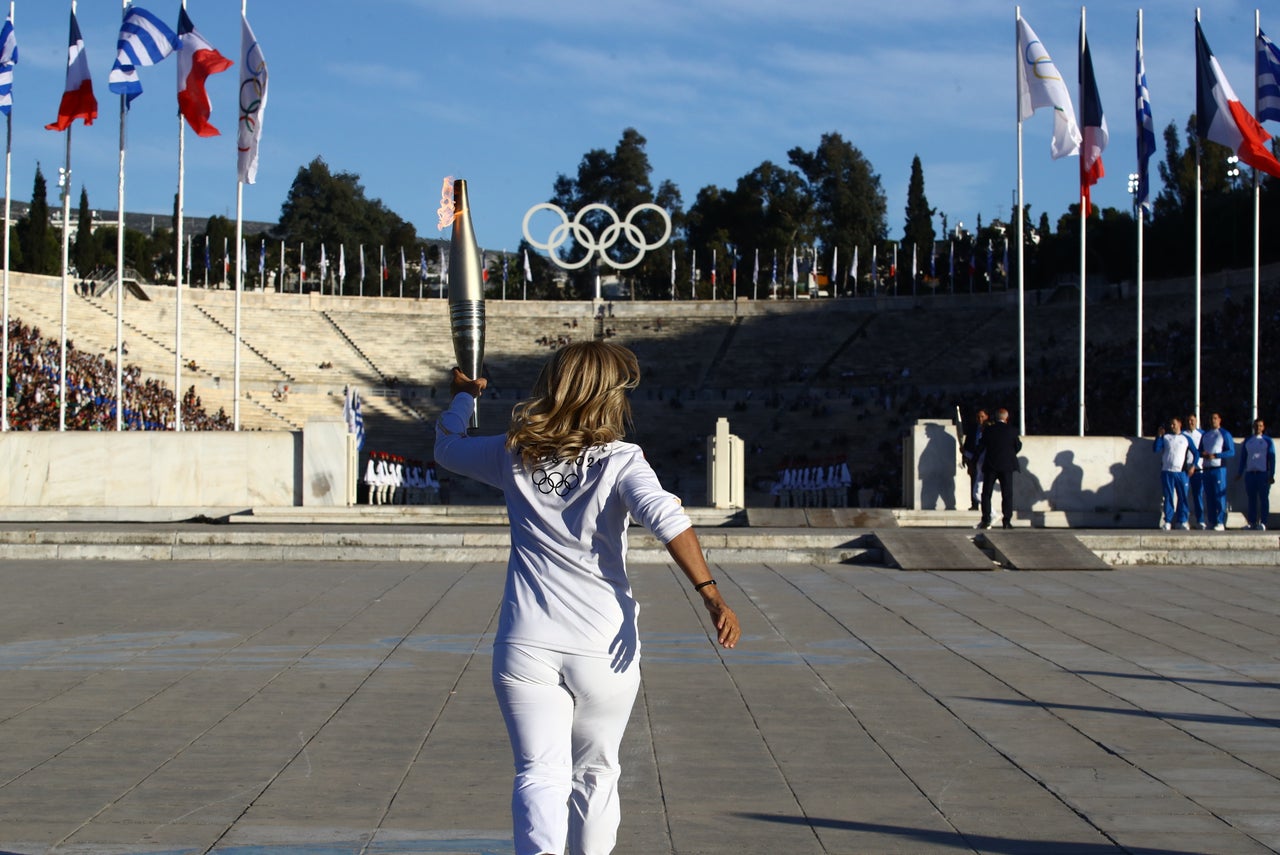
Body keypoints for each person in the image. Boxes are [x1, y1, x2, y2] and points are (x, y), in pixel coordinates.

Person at [434, 341, 741, 855]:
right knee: (596, 773)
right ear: (607, 396)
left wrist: (464, 398)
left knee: (538, 773)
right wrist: (710, 594)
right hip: (604, 646)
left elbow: (446, 447)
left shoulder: (511, 451)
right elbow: (668, 519)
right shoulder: (622, 461)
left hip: (526, 643)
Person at [977, 407, 1021, 529]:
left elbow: (981, 446)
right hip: (1006, 466)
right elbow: (1017, 446)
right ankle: (1006, 521)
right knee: (1007, 494)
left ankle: (986, 519)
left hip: (991, 465)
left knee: (986, 494)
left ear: (995, 418)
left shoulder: (989, 430)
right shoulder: (1012, 430)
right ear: (1006, 418)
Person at [1154, 417, 1196, 530]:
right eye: (1171, 424)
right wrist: (1159, 436)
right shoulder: (1166, 437)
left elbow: (1196, 453)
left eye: (1174, 424)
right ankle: (1168, 521)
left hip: (1181, 472)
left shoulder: (1186, 438)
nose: (1172, 426)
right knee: (1168, 496)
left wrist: (1193, 466)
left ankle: (1182, 521)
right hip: (1167, 471)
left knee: (1183, 497)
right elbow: (1156, 449)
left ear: (1180, 424)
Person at [1198, 412, 1235, 530]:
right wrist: (1202, 454)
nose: (1213, 420)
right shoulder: (1206, 435)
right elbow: (1199, 450)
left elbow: (1231, 451)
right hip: (1207, 468)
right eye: (1211, 418)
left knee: (1219, 495)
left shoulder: (1224, 434)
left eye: (1215, 418)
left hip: (1219, 469)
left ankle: (1220, 522)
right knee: (1209, 496)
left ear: (1220, 420)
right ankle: (1212, 521)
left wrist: (1216, 455)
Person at [1236, 418, 1274, 530]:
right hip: (1250, 474)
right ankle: (1252, 522)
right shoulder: (1248, 441)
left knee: (1263, 499)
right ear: (1253, 427)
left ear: (1263, 427)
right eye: (1256, 426)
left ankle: (1263, 522)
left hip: (1263, 474)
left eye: (1260, 426)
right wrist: (1240, 472)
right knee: (1251, 499)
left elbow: (1272, 458)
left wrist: (1272, 473)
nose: (1258, 428)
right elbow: (1243, 458)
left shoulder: (1267, 440)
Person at [961, 408, 988, 511]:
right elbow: (968, 445)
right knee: (974, 482)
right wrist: (966, 457)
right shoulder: (973, 430)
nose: (980, 419)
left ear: (987, 417)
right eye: (978, 417)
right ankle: (974, 504)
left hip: (986, 459)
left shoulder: (989, 429)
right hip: (974, 459)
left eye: (982, 416)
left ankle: (986, 505)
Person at [1183, 413, 1206, 528]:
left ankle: (1200, 520)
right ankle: (1183, 520)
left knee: (1198, 496)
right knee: (1184, 496)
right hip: (1184, 470)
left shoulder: (1203, 434)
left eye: (1192, 420)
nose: (1190, 422)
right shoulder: (1182, 435)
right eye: (1188, 420)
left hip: (1198, 470)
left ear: (1196, 421)